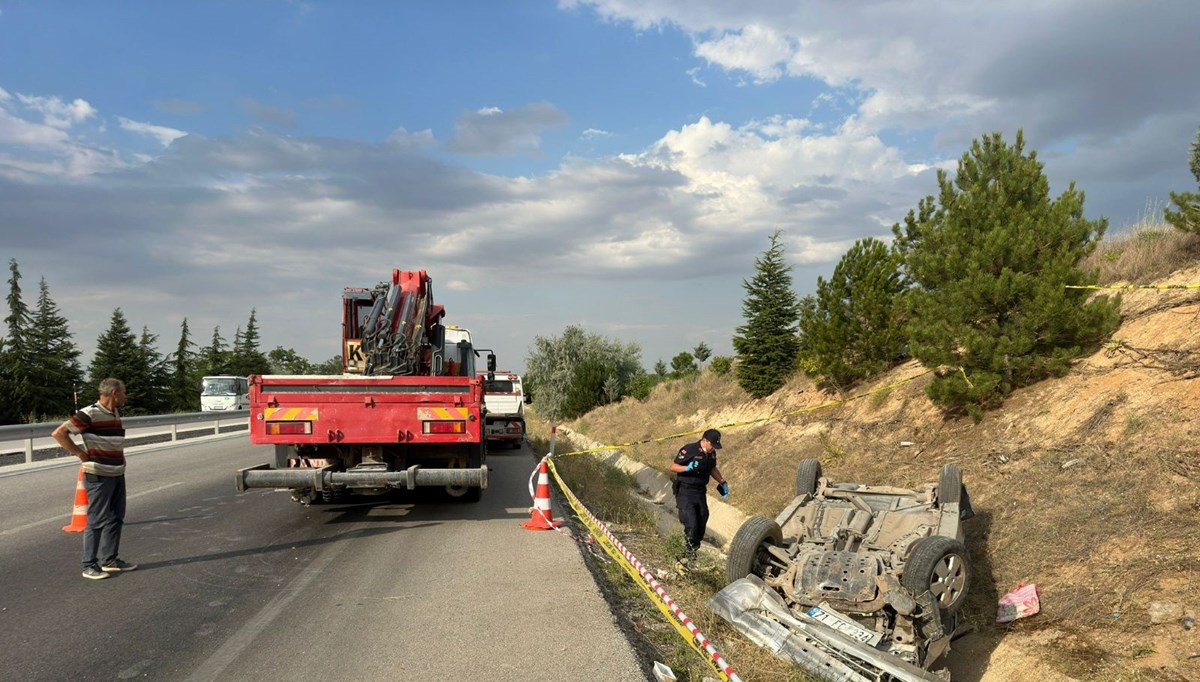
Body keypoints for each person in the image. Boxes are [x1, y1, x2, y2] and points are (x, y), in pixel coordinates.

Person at [52, 377, 138, 580]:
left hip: (117, 473)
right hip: (99, 474)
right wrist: (80, 453)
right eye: (124, 392)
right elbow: (59, 433)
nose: (126, 395)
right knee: (97, 519)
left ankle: (110, 560)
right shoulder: (89, 413)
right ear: (115, 393)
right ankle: (89, 564)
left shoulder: (114, 412)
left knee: (116, 518)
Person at [669, 428, 730, 566]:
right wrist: (687, 468)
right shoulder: (689, 450)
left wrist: (722, 481)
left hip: (700, 492)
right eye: (712, 445)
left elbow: (712, 469)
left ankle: (693, 550)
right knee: (691, 522)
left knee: (702, 519)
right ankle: (687, 555)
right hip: (685, 491)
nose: (713, 448)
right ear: (704, 440)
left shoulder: (711, 453)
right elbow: (673, 467)